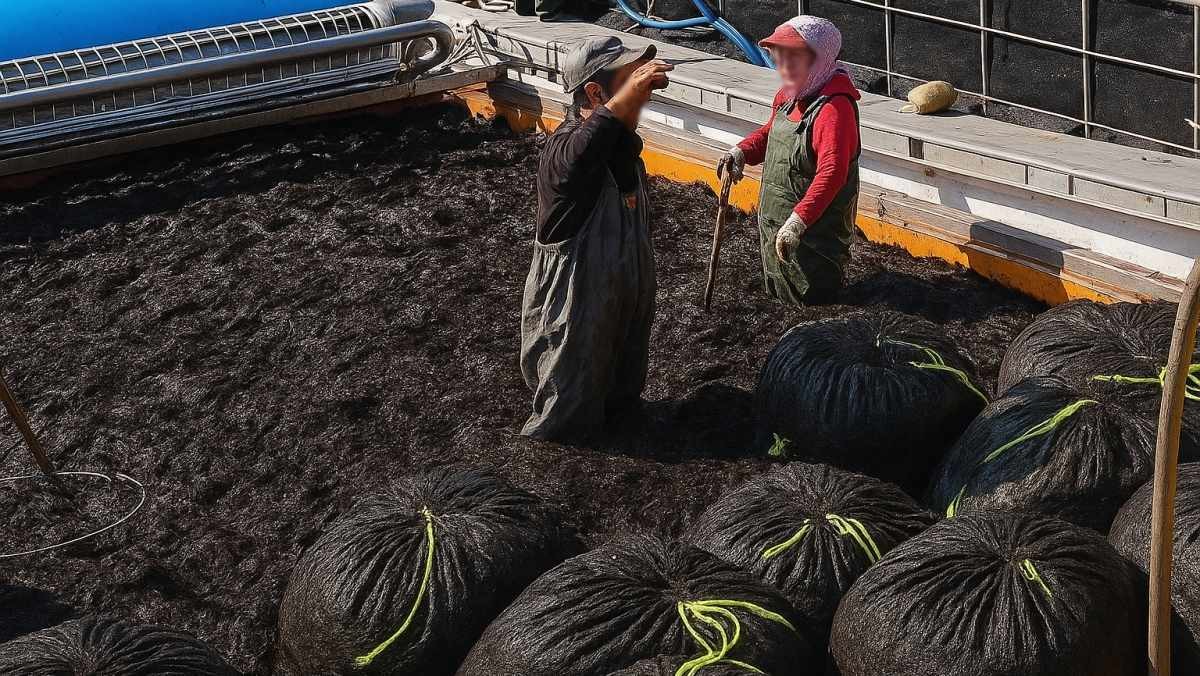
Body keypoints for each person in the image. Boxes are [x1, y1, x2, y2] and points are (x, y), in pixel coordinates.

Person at [519, 37, 673, 441]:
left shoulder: (619, 142)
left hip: (620, 287)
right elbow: (580, 157)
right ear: (594, 92)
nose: (641, 90)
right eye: (629, 81)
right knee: (566, 413)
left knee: (620, 394)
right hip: (575, 300)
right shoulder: (563, 150)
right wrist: (623, 103)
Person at [718, 16, 862, 306]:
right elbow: (772, 134)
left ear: (818, 59)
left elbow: (832, 173)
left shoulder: (834, 109)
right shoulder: (788, 96)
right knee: (779, 293)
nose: (784, 68)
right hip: (776, 225)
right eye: (779, 59)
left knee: (811, 301)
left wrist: (799, 221)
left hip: (814, 237)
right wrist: (741, 152)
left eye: (793, 59)